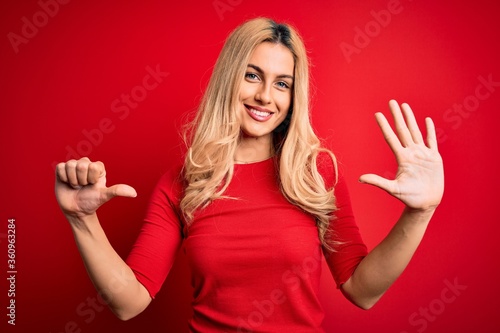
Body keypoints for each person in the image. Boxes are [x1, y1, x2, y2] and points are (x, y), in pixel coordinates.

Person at [54, 17, 444, 332]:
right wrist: (81, 218)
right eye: (253, 75)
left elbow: (363, 290)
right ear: (229, 79)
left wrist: (419, 213)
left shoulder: (316, 173)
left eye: (282, 84)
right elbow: (129, 302)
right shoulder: (183, 183)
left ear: (293, 97)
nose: (265, 97)